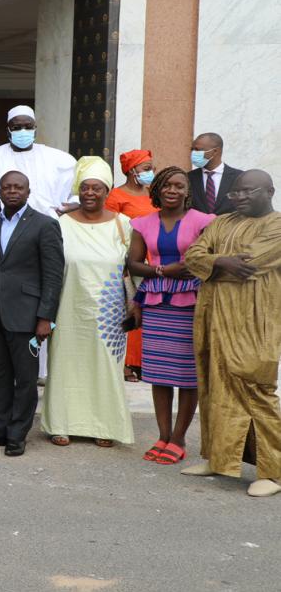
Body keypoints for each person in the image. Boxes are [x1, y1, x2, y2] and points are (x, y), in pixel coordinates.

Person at [181, 170, 281, 497]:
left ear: (269, 191)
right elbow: (192, 256)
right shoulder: (222, 222)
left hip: (254, 322)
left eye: (247, 191)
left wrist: (212, 267)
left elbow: (252, 263)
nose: (239, 197)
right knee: (215, 385)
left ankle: (273, 472)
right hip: (212, 317)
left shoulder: (277, 226)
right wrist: (223, 262)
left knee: (255, 387)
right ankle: (218, 458)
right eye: (235, 192)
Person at [0, 170, 65, 456]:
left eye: (18, 187)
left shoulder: (45, 225)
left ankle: (17, 434)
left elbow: (53, 275)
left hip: (27, 316)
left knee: (25, 378)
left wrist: (46, 317)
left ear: (28, 192)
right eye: (7, 187)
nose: (12, 191)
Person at [41, 157, 135, 448]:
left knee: (105, 367)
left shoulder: (123, 225)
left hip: (109, 313)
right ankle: (61, 423)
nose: (90, 193)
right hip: (68, 308)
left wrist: (136, 307)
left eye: (97, 188)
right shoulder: (61, 224)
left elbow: (131, 269)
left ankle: (105, 426)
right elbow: (50, 269)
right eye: (85, 188)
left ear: (107, 191)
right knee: (66, 364)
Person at [126, 166, 213, 465]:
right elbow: (134, 263)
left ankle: (179, 438)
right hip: (156, 302)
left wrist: (174, 270)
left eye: (179, 185)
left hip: (191, 302)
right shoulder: (142, 223)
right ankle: (162, 436)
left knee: (188, 375)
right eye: (166, 185)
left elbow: (206, 260)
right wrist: (164, 270)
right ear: (157, 189)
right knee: (159, 373)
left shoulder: (204, 221)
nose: (172, 190)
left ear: (188, 191)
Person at [0, 105, 77, 217]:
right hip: (5, 223)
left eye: (28, 127)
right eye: (16, 128)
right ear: (8, 131)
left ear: (35, 129)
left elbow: (77, 191)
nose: (23, 131)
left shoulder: (60, 159)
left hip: (50, 222)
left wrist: (74, 204)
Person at [108, 148, 157, 380]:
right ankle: (127, 363)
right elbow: (109, 229)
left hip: (151, 261)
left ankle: (145, 361)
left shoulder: (152, 194)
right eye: (146, 168)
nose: (151, 172)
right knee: (130, 308)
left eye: (152, 168)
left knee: (148, 311)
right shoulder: (115, 196)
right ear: (131, 171)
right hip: (128, 262)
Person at [187, 132, 242, 216]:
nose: (193, 153)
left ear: (215, 151)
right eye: (192, 149)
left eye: (198, 150)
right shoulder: (188, 178)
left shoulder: (239, 177)